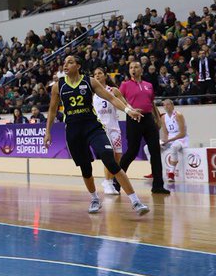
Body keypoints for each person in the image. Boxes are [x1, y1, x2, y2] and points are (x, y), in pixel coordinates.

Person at [44, 55, 150, 216]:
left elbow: (111, 98)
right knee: (86, 168)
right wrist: (48, 131)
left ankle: (136, 201)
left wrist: (128, 110)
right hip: (73, 131)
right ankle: (94, 199)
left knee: (110, 159)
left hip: (92, 127)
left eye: (70, 62)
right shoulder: (58, 86)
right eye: (64, 63)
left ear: (78, 66)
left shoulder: (90, 81)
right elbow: (52, 110)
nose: (65, 65)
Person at [118, 60, 170, 194]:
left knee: (155, 151)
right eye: (131, 67)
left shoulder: (149, 85)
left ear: (141, 70)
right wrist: (129, 110)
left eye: (136, 67)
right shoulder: (125, 85)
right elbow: (118, 100)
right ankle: (116, 182)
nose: (133, 69)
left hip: (148, 119)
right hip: (133, 119)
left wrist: (158, 118)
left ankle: (158, 185)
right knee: (132, 151)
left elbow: (151, 103)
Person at [92, 67, 128, 196]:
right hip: (101, 128)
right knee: (109, 155)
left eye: (100, 73)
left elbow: (124, 104)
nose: (97, 75)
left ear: (105, 76)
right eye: (95, 74)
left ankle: (110, 181)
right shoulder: (92, 93)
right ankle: (107, 182)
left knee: (118, 156)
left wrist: (132, 110)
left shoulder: (113, 91)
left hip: (114, 127)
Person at [159, 100, 189, 182]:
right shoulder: (163, 117)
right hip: (170, 139)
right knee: (148, 147)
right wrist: (163, 141)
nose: (166, 106)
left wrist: (169, 140)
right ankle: (154, 170)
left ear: (172, 106)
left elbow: (182, 133)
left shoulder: (178, 115)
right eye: (164, 105)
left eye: (168, 104)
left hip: (181, 139)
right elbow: (165, 133)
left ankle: (171, 173)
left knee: (174, 147)